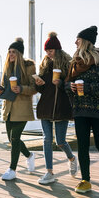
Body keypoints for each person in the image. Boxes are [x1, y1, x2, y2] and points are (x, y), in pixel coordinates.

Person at [65, 26, 99, 193]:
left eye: (78, 40)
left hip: (98, 110)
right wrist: (70, 87)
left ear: (86, 42)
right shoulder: (75, 62)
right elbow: (67, 83)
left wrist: (86, 87)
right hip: (80, 110)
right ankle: (85, 180)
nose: (75, 42)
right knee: (82, 146)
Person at [34, 32, 78, 185]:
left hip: (62, 108)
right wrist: (38, 84)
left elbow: (71, 87)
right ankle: (49, 172)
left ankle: (72, 158)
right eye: (46, 50)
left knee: (60, 141)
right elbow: (42, 89)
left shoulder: (68, 64)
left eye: (50, 50)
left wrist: (61, 84)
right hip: (45, 107)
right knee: (46, 139)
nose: (48, 53)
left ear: (57, 49)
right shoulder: (45, 65)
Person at [0, 38, 37, 180]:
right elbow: (3, 85)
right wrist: (0, 90)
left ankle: (12, 169)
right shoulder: (7, 67)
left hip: (22, 108)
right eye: (9, 52)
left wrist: (21, 88)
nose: (11, 54)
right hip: (8, 108)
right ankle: (29, 155)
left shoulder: (29, 66)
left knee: (14, 138)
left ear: (19, 53)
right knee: (11, 138)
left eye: (13, 52)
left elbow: (34, 87)